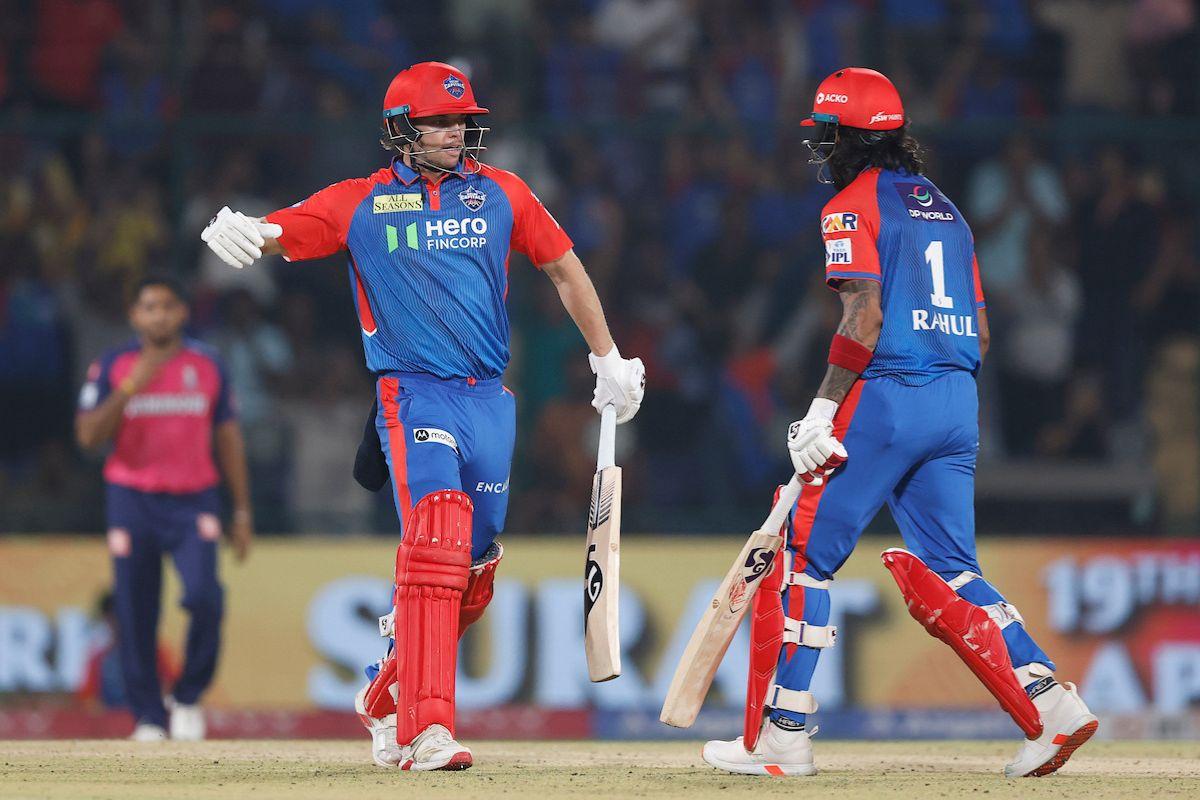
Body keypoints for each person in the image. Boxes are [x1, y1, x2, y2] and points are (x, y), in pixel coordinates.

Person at [199, 62, 644, 771]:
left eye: (462, 120)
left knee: (473, 568)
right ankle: (423, 730)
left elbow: (563, 266)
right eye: (438, 122)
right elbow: (284, 229)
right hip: (412, 395)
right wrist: (249, 230)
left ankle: (382, 694)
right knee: (437, 532)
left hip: (489, 401)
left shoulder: (502, 193)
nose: (455, 132)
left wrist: (607, 358)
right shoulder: (364, 202)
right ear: (401, 130)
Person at [700, 68, 1097, 779]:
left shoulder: (851, 206)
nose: (820, 147)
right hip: (957, 399)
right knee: (954, 567)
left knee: (801, 555)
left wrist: (823, 408)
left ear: (849, 138)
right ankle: (1050, 698)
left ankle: (784, 734)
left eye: (826, 133)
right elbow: (978, 329)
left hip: (889, 396)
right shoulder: (947, 208)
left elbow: (864, 317)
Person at [76, 275, 253, 741]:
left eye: (167, 306)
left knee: (204, 596)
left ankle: (188, 696)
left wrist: (241, 511)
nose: (159, 315)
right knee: (135, 610)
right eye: (149, 307)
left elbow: (229, 437)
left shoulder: (207, 363)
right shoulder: (114, 364)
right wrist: (137, 381)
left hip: (194, 498)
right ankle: (150, 717)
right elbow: (89, 436)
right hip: (131, 498)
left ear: (182, 313)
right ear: (135, 316)